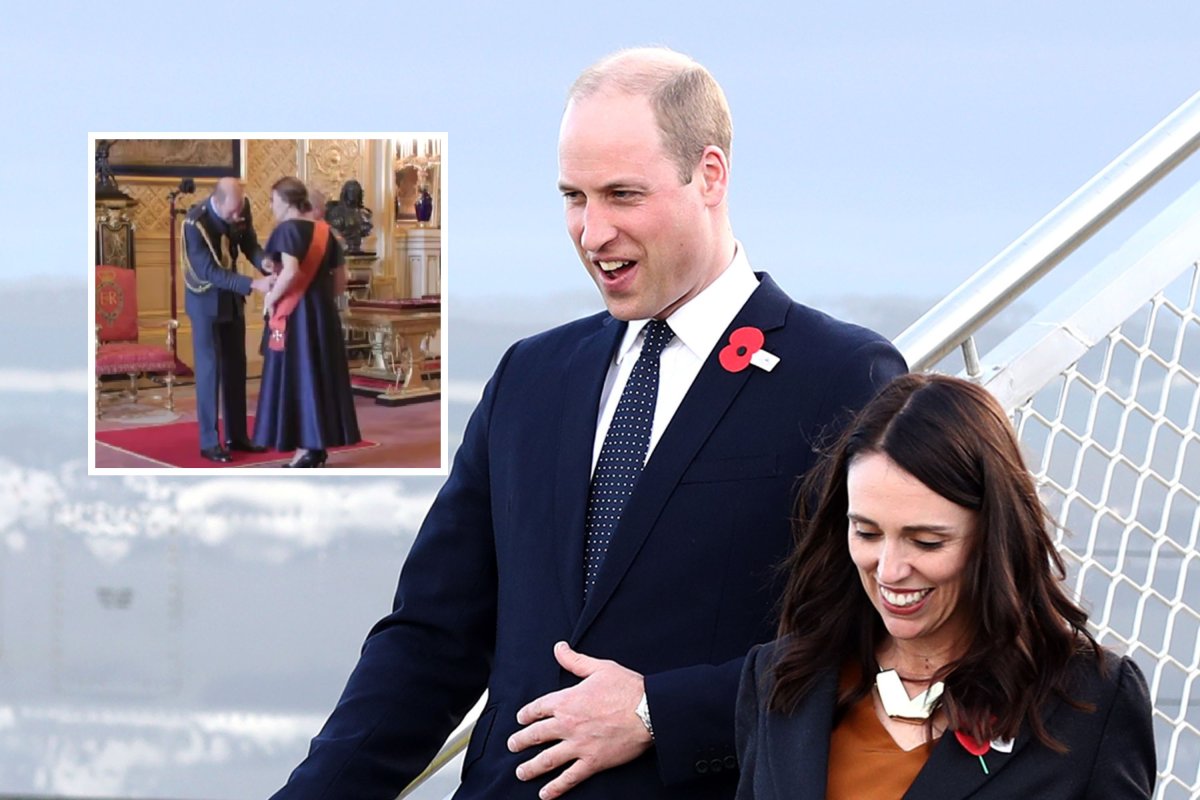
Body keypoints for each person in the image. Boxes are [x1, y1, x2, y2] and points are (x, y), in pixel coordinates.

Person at [270, 47, 906, 800]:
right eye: (574, 196)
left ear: (710, 176)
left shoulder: (843, 377)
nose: (591, 231)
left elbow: (876, 645)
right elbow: (431, 641)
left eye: (622, 195)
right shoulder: (530, 378)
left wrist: (656, 712)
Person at [735, 373, 1156, 799]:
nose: (890, 570)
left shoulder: (1090, 700)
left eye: (926, 541)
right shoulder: (781, 677)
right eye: (867, 533)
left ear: (994, 537)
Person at [252, 177, 360, 468]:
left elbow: (290, 272)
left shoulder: (287, 230)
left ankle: (304, 449)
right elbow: (341, 283)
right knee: (319, 378)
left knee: (297, 380)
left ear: (287, 202)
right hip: (323, 317)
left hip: (296, 318)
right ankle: (317, 445)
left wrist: (271, 298)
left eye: (273, 200)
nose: (271, 206)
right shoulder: (326, 233)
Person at [181, 177, 274, 463]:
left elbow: (250, 244)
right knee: (210, 372)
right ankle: (209, 442)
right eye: (232, 212)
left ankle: (238, 436)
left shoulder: (241, 206)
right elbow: (210, 271)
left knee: (236, 368)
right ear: (217, 201)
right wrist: (254, 283)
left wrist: (264, 262)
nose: (238, 216)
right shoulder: (194, 224)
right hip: (205, 302)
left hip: (231, 301)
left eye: (240, 210)